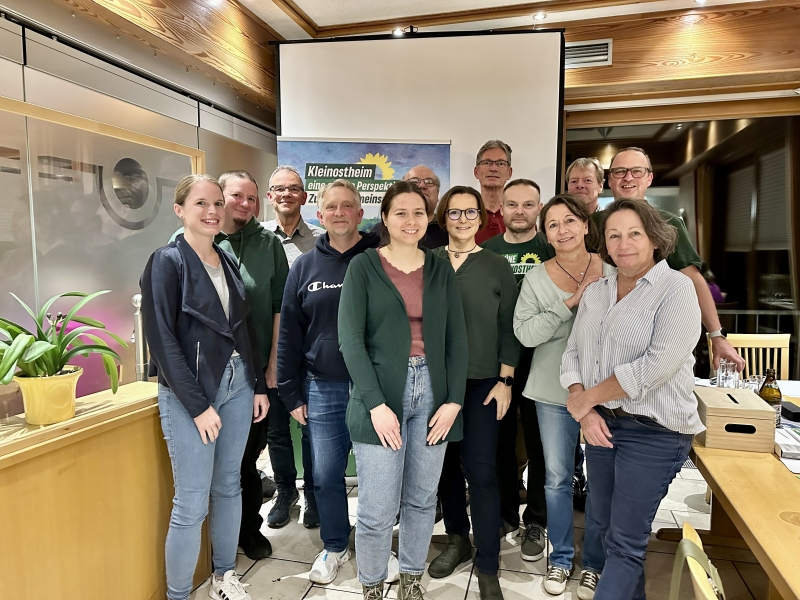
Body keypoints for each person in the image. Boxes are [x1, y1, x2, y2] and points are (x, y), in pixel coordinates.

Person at [561, 198, 703, 600]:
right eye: (614, 235)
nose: (624, 244)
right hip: (602, 426)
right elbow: (574, 353)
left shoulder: (677, 289)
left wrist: (587, 398)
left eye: (634, 234)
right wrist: (585, 406)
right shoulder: (597, 292)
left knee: (625, 543)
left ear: (655, 239)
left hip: (655, 433)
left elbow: (654, 367)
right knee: (605, 529)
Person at [141, 174, 270, 600]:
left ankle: (223, 577)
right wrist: (198, 406)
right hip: (190, 393)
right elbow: (162, 341)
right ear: (180, 210)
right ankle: (178, 594)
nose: (212, 211)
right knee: (191, 502)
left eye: (217, 203)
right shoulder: (167, 261)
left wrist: (256, 385)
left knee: (229, 484)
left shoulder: (225, 259)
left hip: (237, 384)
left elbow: (243, 329)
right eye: (201, 203)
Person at [338, 181, 469, 600]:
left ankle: (411, 579)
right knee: (377, 507)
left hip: (434, 393)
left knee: (422, 499)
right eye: (401, 212)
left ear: (428, 218)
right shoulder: (363, 267)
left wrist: (454, 400)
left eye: (418, 212)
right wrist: (375, 405)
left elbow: (457, 339)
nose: (410, 221)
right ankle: (373, 586)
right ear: (385, 218)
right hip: (380, 392)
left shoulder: (440, 269)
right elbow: (350, 341)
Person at [277, 179, 397, 585]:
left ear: (361, 214)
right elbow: (289, 333)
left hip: (374, 389)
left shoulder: (381, 260)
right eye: (332, 207)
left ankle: (376, 546)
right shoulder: (304, 267)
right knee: (326, 474)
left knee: (377, 476)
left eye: (348, 206)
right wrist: (291, 392)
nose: (340, 213)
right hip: (322, 387)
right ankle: (334, 545)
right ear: (320, 214)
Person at [170, 170, 289, 558]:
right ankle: (206, 545)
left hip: (250, 375)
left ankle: (245, 530)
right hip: (200, 377)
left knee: (244, 461)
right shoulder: (184, 246)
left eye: (251, 198)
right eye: (235, 196)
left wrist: (271, 366)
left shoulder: (268, 244)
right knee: (203, 472)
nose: (244, 204)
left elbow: (278, 307)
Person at [513, 194, 614, 598]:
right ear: (546, 234)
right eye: (552, 224)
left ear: (586, 225)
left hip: (608, 393)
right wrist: (571, 302)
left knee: (603, 482)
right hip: (551, 391)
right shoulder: (537, 278)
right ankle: (560, 558)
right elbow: (526, 334)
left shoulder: (613, 270)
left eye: (570, 221)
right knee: (555, 479)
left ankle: (595, 564)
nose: (562, 230)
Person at [430, 186, 520, 600]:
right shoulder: (428, 262)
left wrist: (506, 381)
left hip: (484, 383)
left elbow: (509, 326)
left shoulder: (496, 265)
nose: (463, 219)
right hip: (436, 383)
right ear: (443, 218)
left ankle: (487, 564)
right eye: (454, 212)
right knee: (445, 468)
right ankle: (456, 540)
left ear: (481, 218)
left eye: (470, 212)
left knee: (481, 471)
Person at [599, 147, 744, 372]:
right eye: (620, 171)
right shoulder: (592, 223)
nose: (628, 177)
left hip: (654, 337)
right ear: (610, 180)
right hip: (602, 338)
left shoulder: (668, 223)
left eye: (637, 171)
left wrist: (717, 336)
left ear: (649, 178)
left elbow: (693, 280)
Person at [481, 178, 552, 561]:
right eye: (512, 204)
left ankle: (536, 520)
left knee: (541, 447)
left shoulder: (551, 248)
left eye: (528, 204)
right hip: (498, 365)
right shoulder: (487, 251)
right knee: (501, 445)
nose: (520, 211)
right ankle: (506, 515)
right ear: (501, 209)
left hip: (544, 363)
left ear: (539, 208)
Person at [262, 165, 323, 529]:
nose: (286, 194)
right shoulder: (259, 239)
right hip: (272, 350)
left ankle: (313, 493)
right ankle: (286, 492)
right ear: (270, 196)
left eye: (293, 188)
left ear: (304, 196)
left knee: (312, 428)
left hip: (310, 350)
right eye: (279, 188)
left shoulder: (320, 240)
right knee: (276, 429)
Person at [370, 165, 448, 249]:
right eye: (414, 181)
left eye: (429, 182)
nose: (422, 185)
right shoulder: (378, 231)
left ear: (438, 194)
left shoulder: (449, 230)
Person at [473, 140, 514, 244]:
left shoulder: (518, 215)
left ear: (509, 173)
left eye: (501, 163)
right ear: (476, 172)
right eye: (487, 163)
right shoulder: (465, 215)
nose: (494, 168)